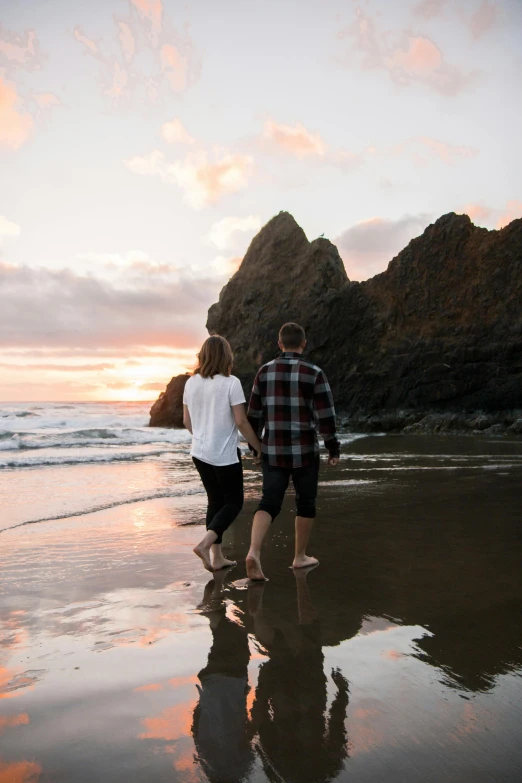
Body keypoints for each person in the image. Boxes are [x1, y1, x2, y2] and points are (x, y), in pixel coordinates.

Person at [245, 322, 340, 580]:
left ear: (279, 344)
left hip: (273, 451)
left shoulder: (263, 372)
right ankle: (299, 557)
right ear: (304, 344)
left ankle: (254, 551)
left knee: (268, 501)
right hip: (305, 452)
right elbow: (326, 417)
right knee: (305, 502)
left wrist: (255, 448)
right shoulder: (315, 373)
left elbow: (253, 415)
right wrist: (333, 447)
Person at [183, 335, 262, 572]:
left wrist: (202, 438)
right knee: (234, 502)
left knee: (215, 501)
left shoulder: (191, 382)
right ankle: (205, 544)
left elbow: (186, 420)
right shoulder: (231, 383)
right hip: (224, 454)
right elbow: (241, 421)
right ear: (226, 356)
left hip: (199, 452)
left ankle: (217, 558)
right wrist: (258, 447)